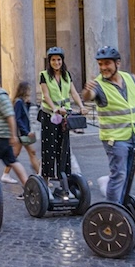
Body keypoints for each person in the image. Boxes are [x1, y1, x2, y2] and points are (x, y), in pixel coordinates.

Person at [82, 46, 135, 204]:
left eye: (107, 63)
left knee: (127, 173)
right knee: (119, 174)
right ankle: (113, 209)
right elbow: (88, 97)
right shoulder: (98, 85)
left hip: (133, 134)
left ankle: (121, 204)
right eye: (100, 64)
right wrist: (86, 91)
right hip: (114, 138)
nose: (103, 67)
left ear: (117, 63)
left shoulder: (129, 78)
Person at [38, 47, 86, 189]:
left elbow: (74, 93)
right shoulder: (44, 75)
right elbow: (46, 94)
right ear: (49, 61)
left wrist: (81, 106)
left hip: (64, 115)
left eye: (58, 59)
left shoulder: (67, 75)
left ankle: (64, 179)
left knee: (64, 147)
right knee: (49, 148)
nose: (56, 62)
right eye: (53, 60)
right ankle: (45, 181)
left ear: (62, 61)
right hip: (49, 115)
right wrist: (54, 108)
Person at [0, 71, 28, 198]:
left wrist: (13, 135)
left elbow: (10, 116)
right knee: (13, 162)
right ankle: (29, 188)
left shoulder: (0, 97)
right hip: (2, 137)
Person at [6, 80, 40, 178]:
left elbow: (24, 115)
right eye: (28, 89)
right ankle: (39, 174)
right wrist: (26, 131)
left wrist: (28, 105)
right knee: (24, 153)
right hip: (22, 133)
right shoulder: (19, 102)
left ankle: (6, 174)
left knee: (20, 153)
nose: (30, 92)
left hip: (22, 133)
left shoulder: (22, 102)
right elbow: (18, 118)